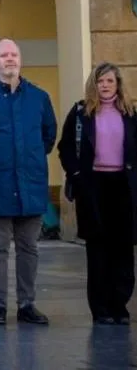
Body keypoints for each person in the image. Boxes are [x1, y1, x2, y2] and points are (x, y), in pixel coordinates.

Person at [0, 38, 56, 326]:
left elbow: (48, 136)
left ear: (20, 60)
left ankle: (27, 304)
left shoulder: (39, 98)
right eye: (3, 55)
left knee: (30, 247)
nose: (9, 59)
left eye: (14, 54)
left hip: (31, 183)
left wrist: (26, 159)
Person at [58, 62, 137, 325]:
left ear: (118, 85)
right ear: (94, 84)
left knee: (123, 249)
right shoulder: (81, 113)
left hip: (123, 186)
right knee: (98, 248)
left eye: (110, 81)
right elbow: (66, 146)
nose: (104, 86)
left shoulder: (130, 113)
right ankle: (101, 308)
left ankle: (120, 305)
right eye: (100, 81)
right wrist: (76, 175)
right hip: (93, 186)